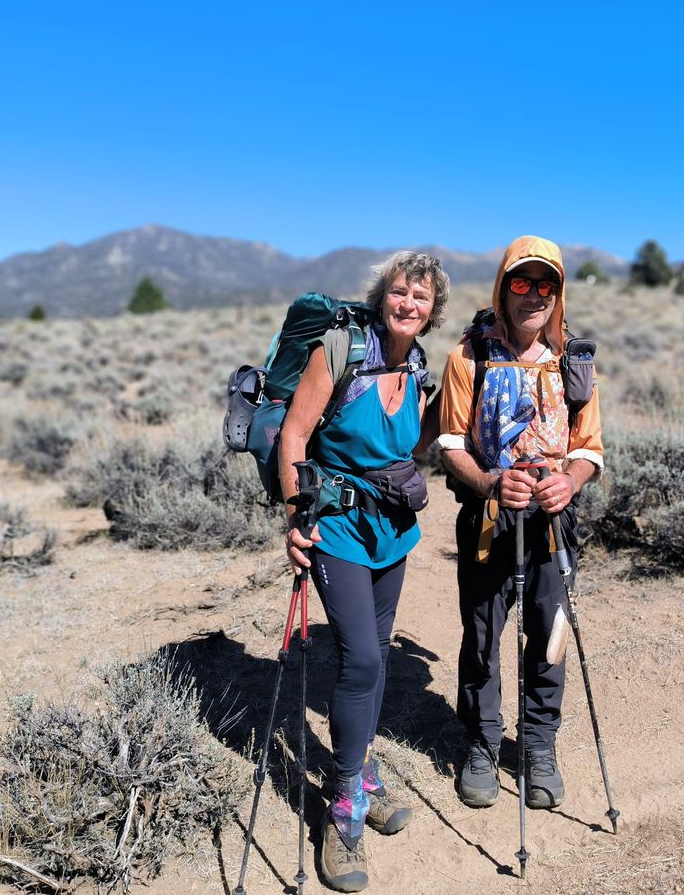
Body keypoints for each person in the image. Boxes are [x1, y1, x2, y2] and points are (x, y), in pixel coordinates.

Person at [279, 252, 448, 893]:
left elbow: (414, 440)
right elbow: (295, 435)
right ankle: (342, 809)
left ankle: (360, 765)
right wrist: (297, 518)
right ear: (383, 297)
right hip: (338, 528)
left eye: (422, 297)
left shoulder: (419, 365)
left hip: (393, 530)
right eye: (400, 292)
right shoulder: (339, 351)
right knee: (363, 663)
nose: (409, 304)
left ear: (433, 311)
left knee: (375, 650)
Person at [438, 235, 603, 810]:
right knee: (482, 636)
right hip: (489, 517)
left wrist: (571, 480)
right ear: (503, 287)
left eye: (545, 284)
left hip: (554, 521)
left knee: (548, 634)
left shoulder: (574, 362)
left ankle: (537, 747)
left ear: (558, 293)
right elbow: (451, 444)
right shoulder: (468, 357)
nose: (533, 295)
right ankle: (482, 745)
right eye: (521, 282)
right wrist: (488, 481)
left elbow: (589, 448)